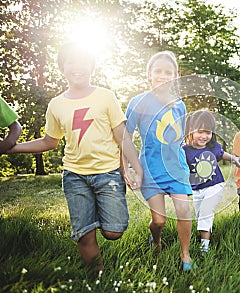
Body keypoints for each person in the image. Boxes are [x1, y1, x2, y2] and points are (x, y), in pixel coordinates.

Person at [8, 42, 143, 271]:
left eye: (83, 61)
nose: (77, 66)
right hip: (75, 176)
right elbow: (49, 142)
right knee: (84, 235)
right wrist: (12, 147)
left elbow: (123, 137)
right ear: (62, 67)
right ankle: (97, 277)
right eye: (71, 61)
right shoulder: (56, 105)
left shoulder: (105, 97)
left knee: (113, 232)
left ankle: (99, 213)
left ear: (92, 66)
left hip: (107, 173)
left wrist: (135, 168)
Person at [124, 51, 195, 271]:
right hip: (150, 169)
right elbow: (125, 136)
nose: (163, 76)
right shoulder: (138, 102)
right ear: (149, 75)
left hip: (176, 169)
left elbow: (178, 137)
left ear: (175, 76)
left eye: (168, 72)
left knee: (184, 211)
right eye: (158, 71)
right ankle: (156, 239)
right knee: (160, 221)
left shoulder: (179, 105)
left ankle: (185, 256)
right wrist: (126, 167)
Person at [183, 109, 240, 253]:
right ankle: (204, 237)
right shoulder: (185, 150)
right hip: (197, 188)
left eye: (208, 132)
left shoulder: (213, 146)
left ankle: (204, 247)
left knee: (205, 212)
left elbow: (223, 154)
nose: (204, 136)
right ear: (191, 131)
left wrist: (235, 159)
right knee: (200, 215)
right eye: (200, 131)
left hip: (215, 185)